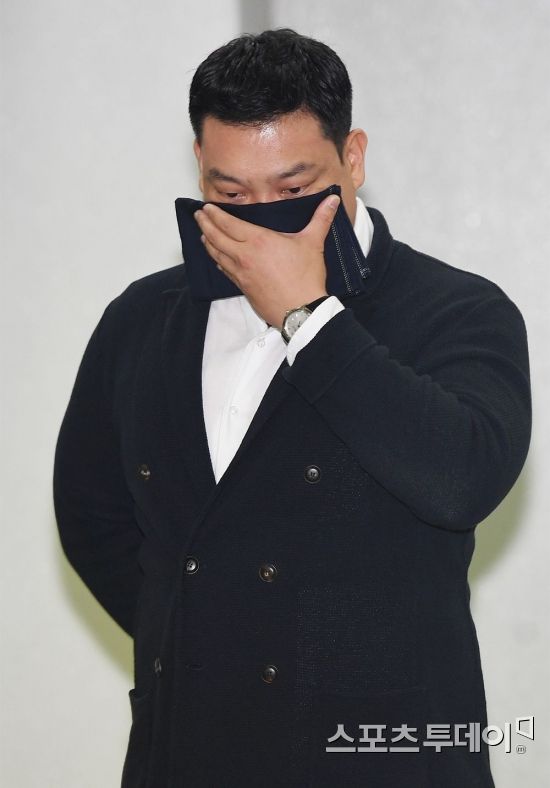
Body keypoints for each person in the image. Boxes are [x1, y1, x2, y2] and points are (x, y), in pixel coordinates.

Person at [53, 27, 532, 788]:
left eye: (292, 190)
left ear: (354, 159)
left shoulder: (461, 312)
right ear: (199, 167)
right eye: (231, 195)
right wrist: (198, 643)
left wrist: (309, 317)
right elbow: (92, 516)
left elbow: (460, 477)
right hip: (185, 755)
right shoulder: (141, 320)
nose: (261, 219)